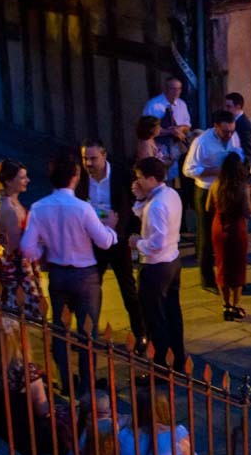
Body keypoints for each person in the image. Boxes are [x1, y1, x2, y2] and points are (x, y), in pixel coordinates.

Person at [19, 153, 118, 396]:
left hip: (58, 273)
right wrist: (112, 229)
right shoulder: (82, 208)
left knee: (60, 330)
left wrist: (43, 250)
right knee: (88, 332)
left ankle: (66, 380)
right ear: (75, 177)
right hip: (85, 274)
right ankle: (87, 383)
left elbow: (27, 248)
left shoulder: (39, 207)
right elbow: (104, 242)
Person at [0, 316, 76, 455]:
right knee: (70, 416)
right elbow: (43, 411)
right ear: (21, 341)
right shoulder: (25, 371)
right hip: (24, 433)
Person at [76, 140, 138, 330]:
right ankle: (88, 330)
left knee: (128, 288)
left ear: (104, 156)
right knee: (91, 289)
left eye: (93, 158)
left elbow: (134, 203)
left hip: (118, 240)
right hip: (92, 242)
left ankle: (140, 333)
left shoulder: (121, 174)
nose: (88, 163)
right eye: (85, 158)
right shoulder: (81, 177)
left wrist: (131, 232)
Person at [130, 156, 185, 367]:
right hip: (172, 261)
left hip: (156, 267)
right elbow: (144, 213)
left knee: (155, 318)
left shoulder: (157, 205)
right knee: (172, 314)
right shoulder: (170, 194)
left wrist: (137, 243)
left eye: (140, 178)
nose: (137, 182)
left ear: (152, 179)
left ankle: (161, 363)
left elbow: (157, 242)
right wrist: (140, 198)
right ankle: (177, 359)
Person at [182, 110, 242, 292]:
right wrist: (214, 171)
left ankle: (230, 277)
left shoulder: (233, 136)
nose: (229, 135)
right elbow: (188, 170)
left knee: (228, 234)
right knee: (207, 235)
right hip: (207, 191)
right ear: (215, 127)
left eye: (232, 131)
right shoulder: (201, 142)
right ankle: (207, 279)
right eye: (225, 132)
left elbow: (238, 153)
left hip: (226, 189)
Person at [0, 159, 43, 321]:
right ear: (8, 181)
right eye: (22, 178)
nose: (27, 180)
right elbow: (15, 246)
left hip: (11, 260)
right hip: (17, 267)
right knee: (19, 313)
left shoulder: (3, 199)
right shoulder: (9, 209)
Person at [207, 152, 251, 322]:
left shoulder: (215, 185)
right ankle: (236, 305)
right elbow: (249, 212)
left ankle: (225, 305)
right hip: (236, 229)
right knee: (238, 268)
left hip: (218, 228)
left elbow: (208, 207)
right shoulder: (242, 188)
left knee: (222, 266)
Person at [142, 77, 192, 180]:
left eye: (179, 89)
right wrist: (168, 131)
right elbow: (146, 129)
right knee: (162, 176)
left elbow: (187, 125)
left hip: (177, 146)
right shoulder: (153, 105)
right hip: (160, 146)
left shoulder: (182, 104)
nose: (176, 92)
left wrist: (180, 129)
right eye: (173, 89)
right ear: (165, 89)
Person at [223, 91, 251, 162]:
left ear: (238, 107)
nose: (226, 110)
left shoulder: (245, 125)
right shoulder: (232, 120)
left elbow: (248, 152)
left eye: (229, 107)